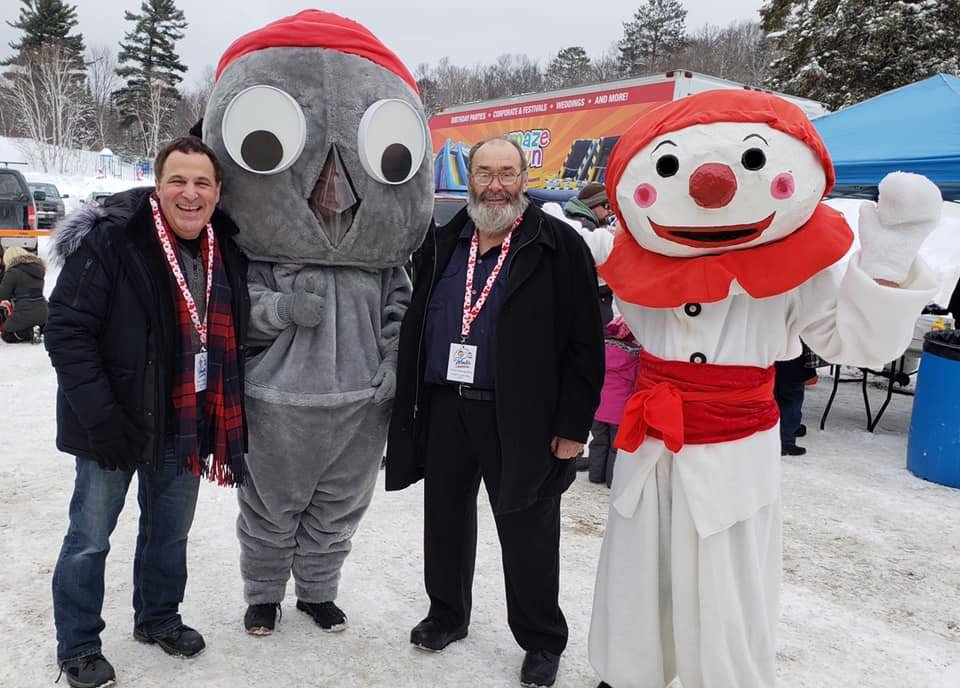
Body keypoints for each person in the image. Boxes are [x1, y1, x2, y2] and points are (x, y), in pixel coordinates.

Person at [200, 10, 433, 637]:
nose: (333, 187)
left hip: (361, 403)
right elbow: (235, 316)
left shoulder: (383, 263)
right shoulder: (252, 257)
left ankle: (319, 591)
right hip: (277, 402)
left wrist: (390, 363)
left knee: (338, 507)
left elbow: (400, 311)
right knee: (270, 508)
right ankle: (263, 594)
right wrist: (281, 311)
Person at [386, 135, 604, 688]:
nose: (495, 184)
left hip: (522, 416)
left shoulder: (557, 245)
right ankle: (447, 614)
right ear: (470, 178)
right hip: (445, 406)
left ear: (523, 179)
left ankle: (540, 639)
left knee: (528, 528)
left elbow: (585, 343)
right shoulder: (442, 242)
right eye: (485, 172)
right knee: (445, 520)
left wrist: (572, 427)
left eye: (507, 173)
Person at [45, 136, 249, 688]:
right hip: (113, 424)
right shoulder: (113, 241)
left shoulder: (223, 245)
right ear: (157, 186)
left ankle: (158, 617)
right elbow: (67, 331)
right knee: (89, 538)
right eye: (178, 180)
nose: (190, 193)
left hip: (184, 421)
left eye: (202, 182)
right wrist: (101, 418)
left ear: (217, 192)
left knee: (169, 532)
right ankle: (80, 644)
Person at [588, 316, 640, 486]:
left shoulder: (600, 351)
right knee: (615, 448)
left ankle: (595, 476)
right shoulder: (634, 358)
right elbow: (637, 381)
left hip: (598, 409)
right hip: (619, 412)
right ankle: (612, 480)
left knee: (598, 443)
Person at [563, 183, 616, 326]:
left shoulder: (570, 221)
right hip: (589, 309)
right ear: (593, 205)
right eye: (607, 205)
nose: (610, 211)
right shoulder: (588, 229)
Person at [775, 343, 817, 456]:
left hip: (770, 357)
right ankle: (786, 441)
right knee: (792, 402)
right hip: (793, 358)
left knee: (774, 399)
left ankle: (775, 439)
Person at [0, 245, 47, 343]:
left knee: (7, 335)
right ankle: (41, 329)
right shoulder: (38, 270)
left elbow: (2, 295)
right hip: (44, 312)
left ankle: (29, 332)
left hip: (24, 312)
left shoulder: (12, 272)